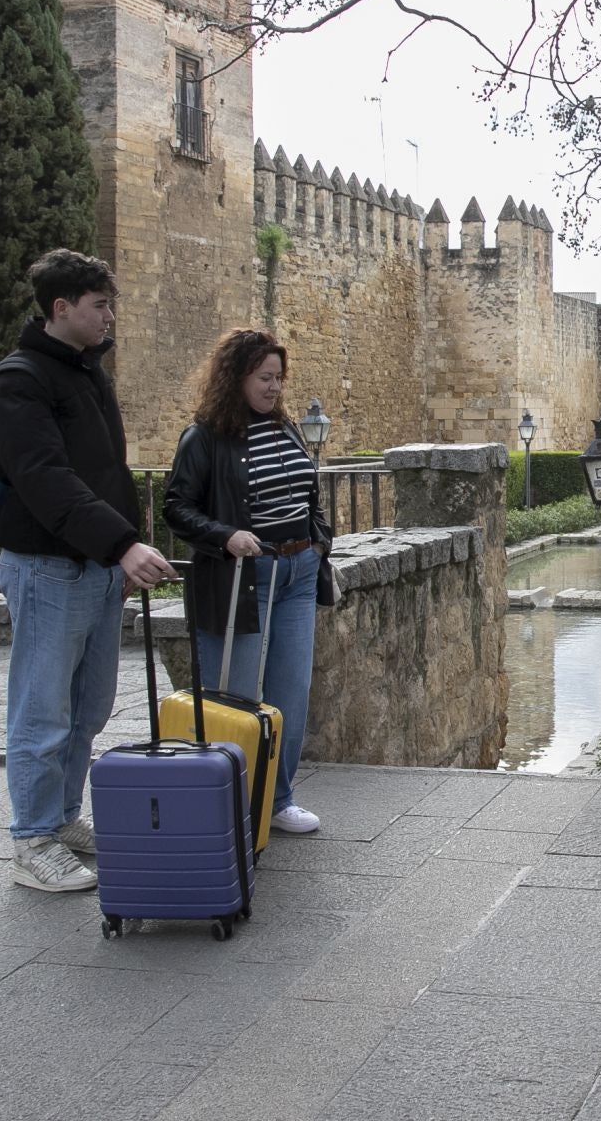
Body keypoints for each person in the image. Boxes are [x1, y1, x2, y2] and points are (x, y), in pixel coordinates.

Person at [0, 249, 177, 893]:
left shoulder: (85, 373)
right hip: (47, 570)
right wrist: (123, 545)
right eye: (99, 306)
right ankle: (32, 838)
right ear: (61, 309)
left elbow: (106, 474)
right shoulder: (20, 381)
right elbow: (46, 481)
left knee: (87, 708)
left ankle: (62, 819)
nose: (110, 317)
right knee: (42, 710)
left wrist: (119, 550)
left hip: (92, 569)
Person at [163, 328, 335, 835]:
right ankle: (231, 804)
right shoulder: (204, 437)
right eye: (264, 377)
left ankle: (278, 799)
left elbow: (309, 494)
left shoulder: (286, 430)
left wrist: (319, 539)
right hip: (243, 577)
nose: (274, 388)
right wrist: (227, 535)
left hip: (298, 574)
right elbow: (176, 507)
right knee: (234, 696)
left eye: (279, 378)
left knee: (290, 692)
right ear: (235, 378)